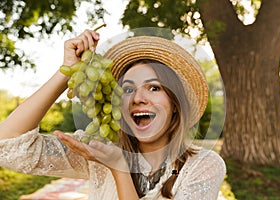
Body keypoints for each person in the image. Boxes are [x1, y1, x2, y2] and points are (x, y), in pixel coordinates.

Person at [0, 30, 226, 199]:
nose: (138, 98)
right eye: (128, 89)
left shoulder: (204, 166)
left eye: (154, 87)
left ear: (175, 103)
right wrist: (66, 72)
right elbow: (7, 146)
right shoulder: (99, 151)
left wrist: (119, 168)